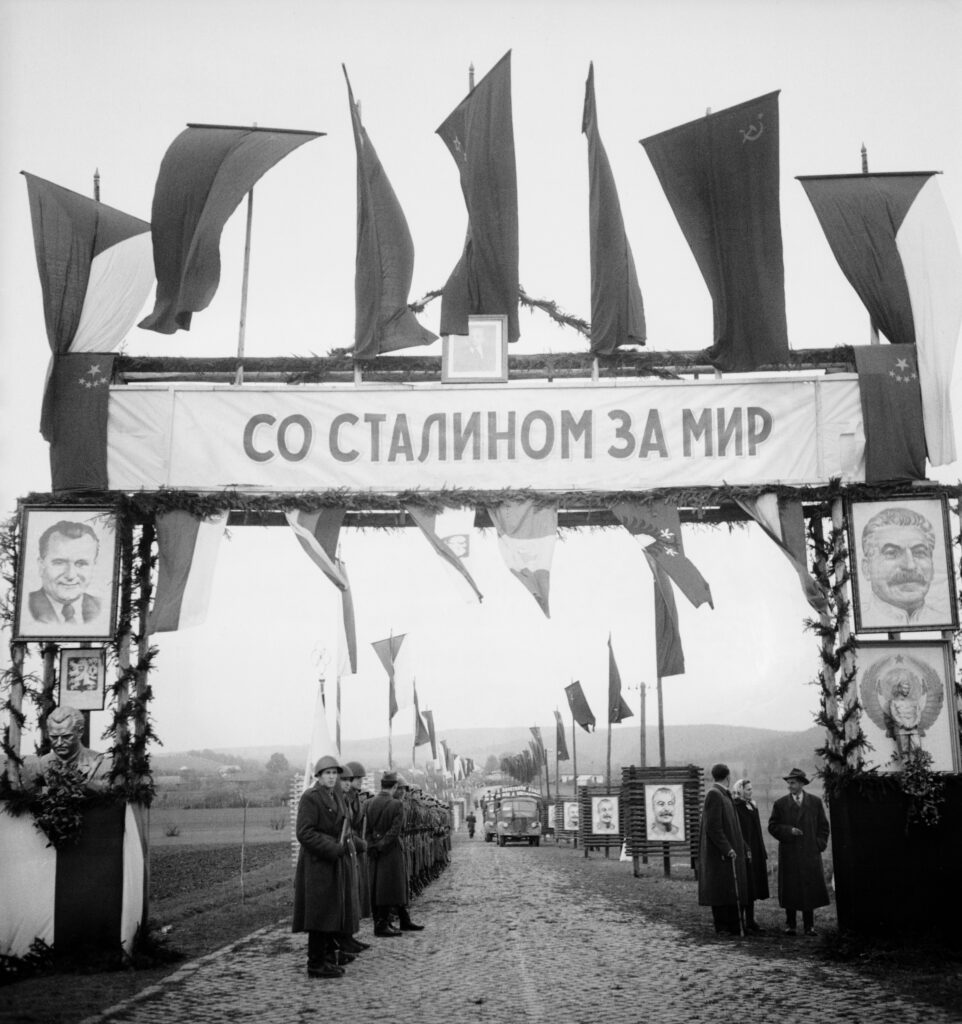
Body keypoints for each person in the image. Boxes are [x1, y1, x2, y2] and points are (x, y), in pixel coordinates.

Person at [292, 755, 360, 979]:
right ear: (318, 776)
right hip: (317, 864)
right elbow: (304, 833)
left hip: (332, 862)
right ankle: (315, 963)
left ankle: (328, 957)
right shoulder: (311, 798)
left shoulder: (336, 796)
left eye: (334, 773)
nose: (331, 777)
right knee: (319, 913)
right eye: (327, 773)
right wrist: (332, 847)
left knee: (330, 910)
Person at [767, 768, 830, 936]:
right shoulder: (780, 804)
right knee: (791, 889)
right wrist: (788, 831)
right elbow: (772, 827)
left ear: (802, 783)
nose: (790, 786)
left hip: (810, 853)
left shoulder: (815, 802)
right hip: (790, 853)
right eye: (788, 783)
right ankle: (791, 925)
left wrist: (819, 845)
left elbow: (824, 827)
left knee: (809, 889)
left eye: (793, 783)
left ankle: (809, 926)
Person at [859, 507, 945, 627]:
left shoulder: (942, 619)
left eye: (919, 553)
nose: (910, 565)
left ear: (932, 565)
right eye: (892, 553)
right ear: (867, 568)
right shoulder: (862, 622)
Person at [364, 771, 423, 936]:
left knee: (378, 886)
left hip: (375, 851)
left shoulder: (368, 803)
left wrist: (373, 845)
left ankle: (398, 920)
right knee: (390, 887)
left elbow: (366, 830)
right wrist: (382, 845)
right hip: (391, 851)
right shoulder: (397, 805)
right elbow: (394, 831)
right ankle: (382, 925)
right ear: (395, 786)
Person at [697, 763, 748, 937]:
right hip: (720, 854)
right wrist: (727, 849)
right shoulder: (714, 794)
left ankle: (733, 926)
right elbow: (713, 827)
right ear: (728, 777)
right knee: (721, 890)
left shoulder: (723, 794)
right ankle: (723, 926)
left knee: (730, 890)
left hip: (730, 851)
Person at [28, 520, 105, 629]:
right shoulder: (25, 609)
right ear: (41, 566)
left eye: (81, 563)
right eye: (59, 562)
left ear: (94, 566)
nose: (70, 575)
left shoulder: (103, 610)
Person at [31, 705, 110, 791]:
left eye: (66, 736)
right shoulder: (43, 764)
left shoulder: (98, 762)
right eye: (54, 737)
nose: (59, 743)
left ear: (80, 732)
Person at [340, 761, 372, 939]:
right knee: (348, 892)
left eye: (360, 778)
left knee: (356, 891)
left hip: (355, 848)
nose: (359, 781)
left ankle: (350, 935)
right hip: (347, 846)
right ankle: (345, 937)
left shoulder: (356, 799)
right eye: (355, 778)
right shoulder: (344, 798)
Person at [732, 778, 770, 933]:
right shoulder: (736, 807)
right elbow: (737, 831)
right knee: (745, 886)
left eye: (751, 789)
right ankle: (740, 920)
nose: (750, 792)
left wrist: (760, 850)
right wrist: (745, 848)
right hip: (745, 851)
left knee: (753, 886)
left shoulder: (752, 806)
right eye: (748, 789)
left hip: (755, 850)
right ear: (740, 790)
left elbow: (757, 831)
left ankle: (750, 920)